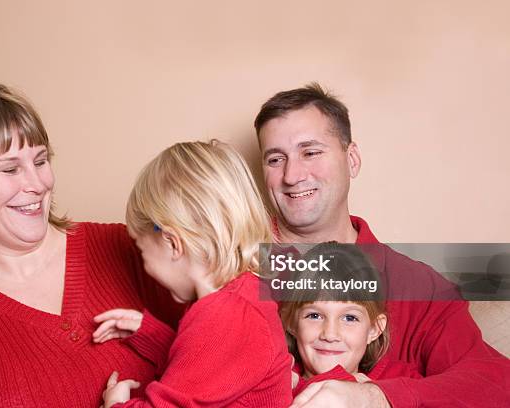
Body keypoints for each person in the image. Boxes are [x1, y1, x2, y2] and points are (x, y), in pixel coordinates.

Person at [0, 84, 182, 407]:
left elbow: (240, 302)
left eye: (41, 161)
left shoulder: (125, 245)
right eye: (10, 169)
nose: (38, 184)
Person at [254, 83, 510, 407]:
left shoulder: (419, 287)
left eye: (311, 152)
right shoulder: (228, 267)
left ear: (352, 160)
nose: (292, 175)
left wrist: (377, 398)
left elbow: (495, 382)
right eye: (275, 159)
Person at [93, 141, 293, 407]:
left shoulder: (228, 314)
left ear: (173, 244)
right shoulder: (236, 300)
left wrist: (116, 405)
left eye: (142, 251)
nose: (144, 266)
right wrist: (150, 334)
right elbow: (201, 372)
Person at [279, 242, 422, 397]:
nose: (330, 335)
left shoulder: (401, 380)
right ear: (290, 322)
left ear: (374, 329)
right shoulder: (278, 383)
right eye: (314, 316)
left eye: (349, 318)